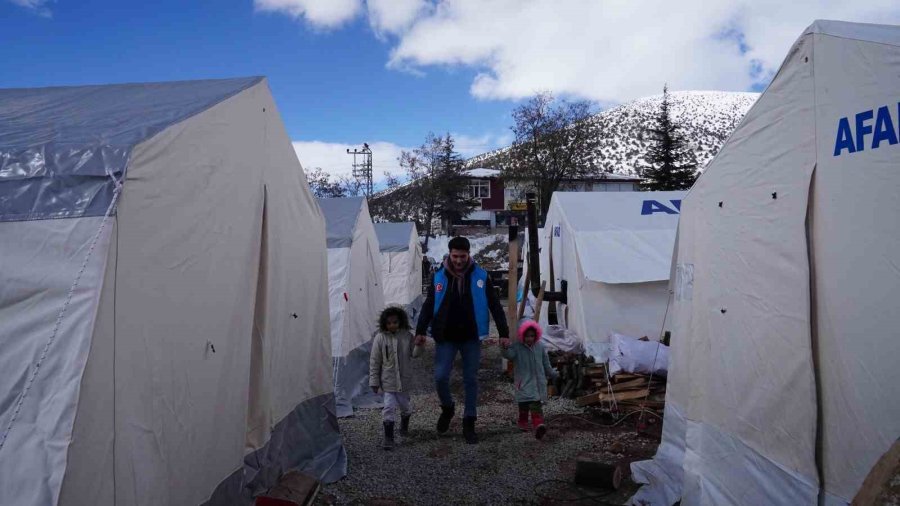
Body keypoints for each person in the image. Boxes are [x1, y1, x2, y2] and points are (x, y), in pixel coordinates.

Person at [415, 236, 509, 444]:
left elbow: (495, 305)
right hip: (445, 336)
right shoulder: (438, 276)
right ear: (450, 254)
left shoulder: (482, 276)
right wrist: (420, 330)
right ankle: (448, 408)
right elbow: (429, 304)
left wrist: (504, 333)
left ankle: (469, 420)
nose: (458, 260)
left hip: (470, 336)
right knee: (440, 377)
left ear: (469, 255)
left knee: (471, 379)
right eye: (455, 256)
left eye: (462, 256)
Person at [370, 306, 423, 450]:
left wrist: (419, 345)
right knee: (388, 407)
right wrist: (374, 381)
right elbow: (375, 361)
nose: (392, 325)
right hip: (389, 383)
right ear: (384, 324)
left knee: (405, 406)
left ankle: (405, 420)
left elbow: (415, 354)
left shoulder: (407, 336)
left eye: (395, 322)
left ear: (401, 322)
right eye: (389, 323)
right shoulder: (380, 338)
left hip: (404, 381)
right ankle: (388, 437)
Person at [501, 320, 558, 440]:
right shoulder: (517, 347)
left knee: (535, 405)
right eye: (527, 336)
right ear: (522, 335)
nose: (529, 339)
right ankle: (523, 421)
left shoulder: (540, 347)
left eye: (532, 336)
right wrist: (504, 347)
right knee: (523, 405)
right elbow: (509, 355)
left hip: (537, 383)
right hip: (523, 382)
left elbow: (546, 364)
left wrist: (552, 373)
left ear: (536, 335)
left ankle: (538, 425)